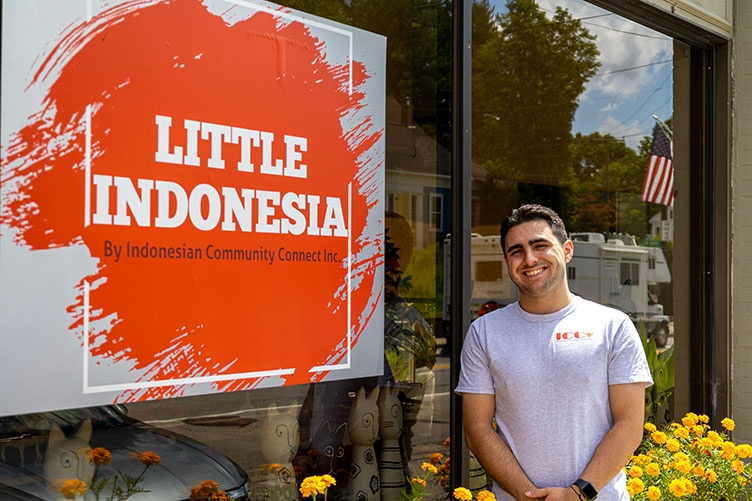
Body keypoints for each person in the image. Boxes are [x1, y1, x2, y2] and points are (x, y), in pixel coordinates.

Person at [455, 204, 653, 501]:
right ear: (507, 261)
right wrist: (528, 496)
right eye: (516, 251)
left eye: (540, 245)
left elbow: (629, 425)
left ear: (567, 250)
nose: (529, 258)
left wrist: (578, 493)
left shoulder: (613, 326)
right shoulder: (484, 333)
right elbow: (477, 429)